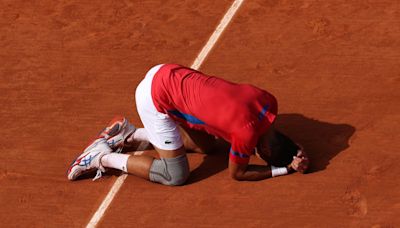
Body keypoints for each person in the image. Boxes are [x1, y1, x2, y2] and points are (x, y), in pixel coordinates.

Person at [67, 64, 309, 185]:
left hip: (171, 72)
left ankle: (129, 135)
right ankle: (100, 157)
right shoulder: (244, 134)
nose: (257, 153)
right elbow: (238, 173)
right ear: (264, 150)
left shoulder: (268, 102)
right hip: (155, 98)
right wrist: (285, 169)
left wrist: (292, 148)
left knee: (207, 147)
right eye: (262, 154)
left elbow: (270, 136)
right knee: (175, 175)